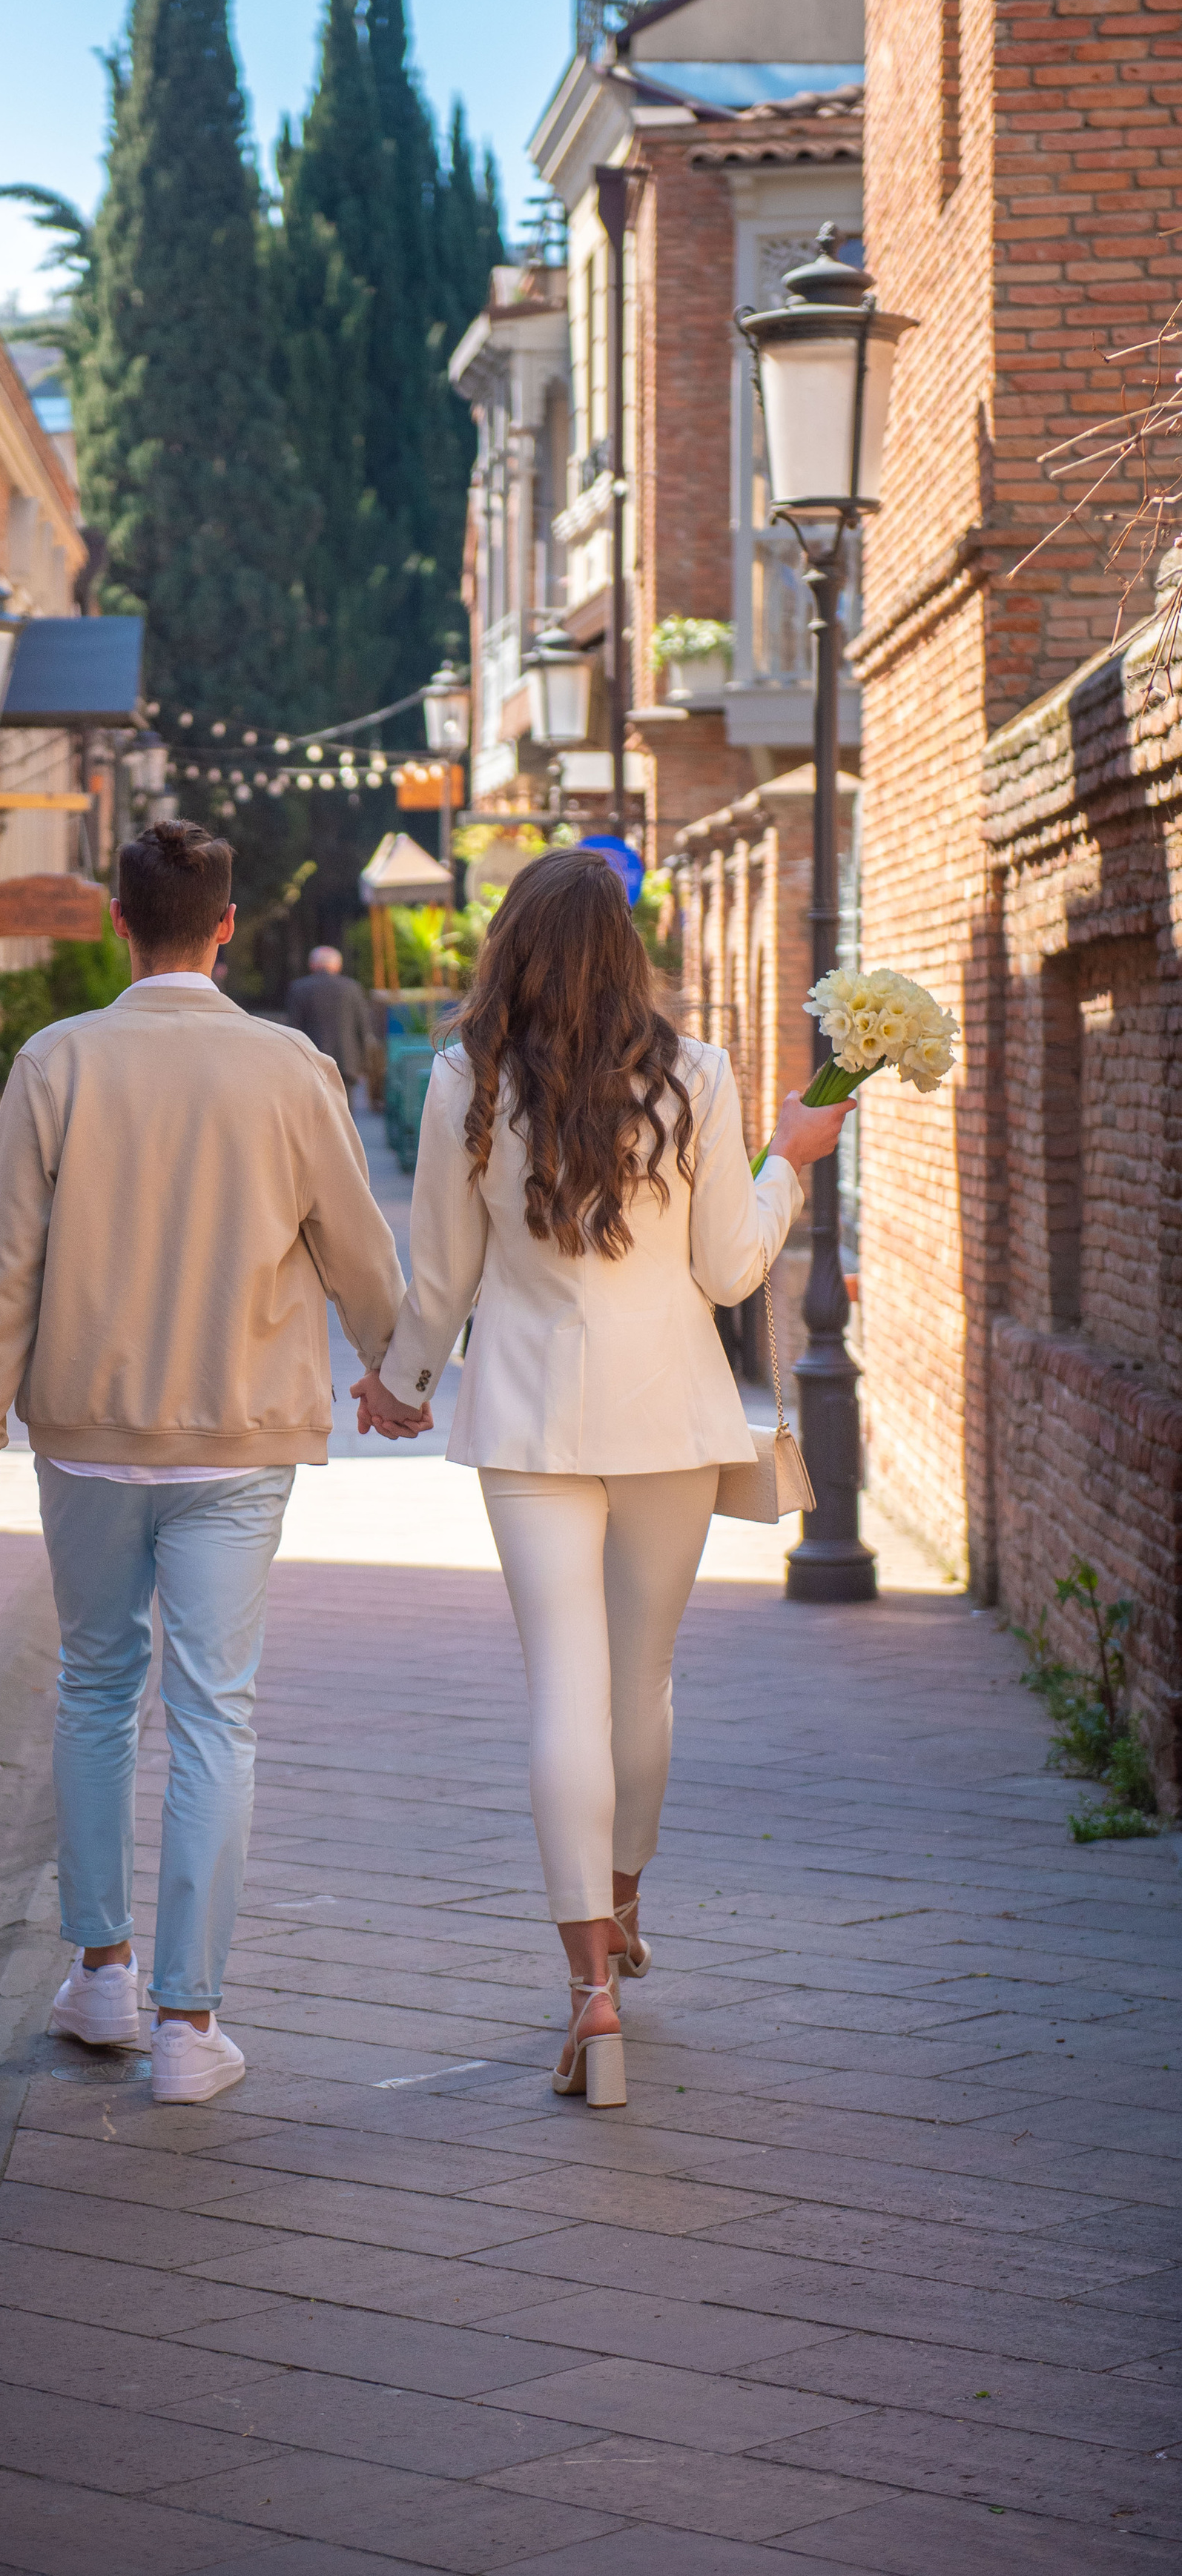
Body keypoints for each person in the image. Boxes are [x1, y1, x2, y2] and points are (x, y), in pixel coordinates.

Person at [352, 847, 850, 2109]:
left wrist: (402, 1384)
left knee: (562, 1690)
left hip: (525, 1422)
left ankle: (590, 1993)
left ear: (510, 944)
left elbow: (441, 1277)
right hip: (671, 1421)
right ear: (625, 951)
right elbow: (735, 1269)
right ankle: (623, 1900)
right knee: (644, 1682)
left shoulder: (467, 1077)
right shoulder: (697, 1074)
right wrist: (793, 1155)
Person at [0, 821, 417, 2105]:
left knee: (97, 1688)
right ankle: (189, 2026)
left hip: (89, 1436)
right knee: (216, 1709)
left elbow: (5, 1274)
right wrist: (396, 1370)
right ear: (225, 925)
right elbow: (360, 1247)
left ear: (117, 921)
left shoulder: (57, 1061)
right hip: (238, 1433)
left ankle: (100, 1971)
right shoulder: (286, 1066)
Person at [284, 944, 375, 1102]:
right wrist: (363, 1063)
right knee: (345, 1114)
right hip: (346, 1061)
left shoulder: (299, 988)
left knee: (314, 1113)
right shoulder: (352, 988)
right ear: (338, 965)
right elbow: (363, 1027)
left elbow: (293, 1028)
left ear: (312, 965)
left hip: (311, 1060)